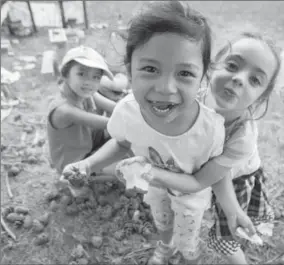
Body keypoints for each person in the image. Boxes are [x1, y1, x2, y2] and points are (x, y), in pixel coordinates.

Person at [62, 1, 225, 264]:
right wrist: (88, 163)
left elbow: (204, 180)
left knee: (188, 238)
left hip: (190, 200)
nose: (166, 87)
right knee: (162, 221)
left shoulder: (210, 130)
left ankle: (188, 255)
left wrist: (152, 172)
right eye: (150, 69)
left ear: (203, 78)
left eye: (184, 73)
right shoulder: (127, 112)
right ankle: (165, 246)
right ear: (128, 71)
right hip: (156, 190)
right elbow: (121, 143)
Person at [129, 31, 284, 264]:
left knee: (224, 240)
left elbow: (209, 178)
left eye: (255, 80)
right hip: (200, 171)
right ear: (211, 67)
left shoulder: (241, 137)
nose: (239, 79)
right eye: (232, 65)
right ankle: (167, 246)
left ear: (261, 98)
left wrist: (233, 211)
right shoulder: (193, 97)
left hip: (234, 179)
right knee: (169, 213)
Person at [47, 45, 117, 174]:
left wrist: (133, 109)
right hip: (74, 161)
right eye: (81, 74)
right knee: (123, 167)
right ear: (65, 75)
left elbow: (115, 107)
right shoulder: (64, 110)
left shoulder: (85, 92)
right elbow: (109, 123)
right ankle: (76, 183)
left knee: (121, 141)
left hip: (88, 141)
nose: (89, 82)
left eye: (96, 77)